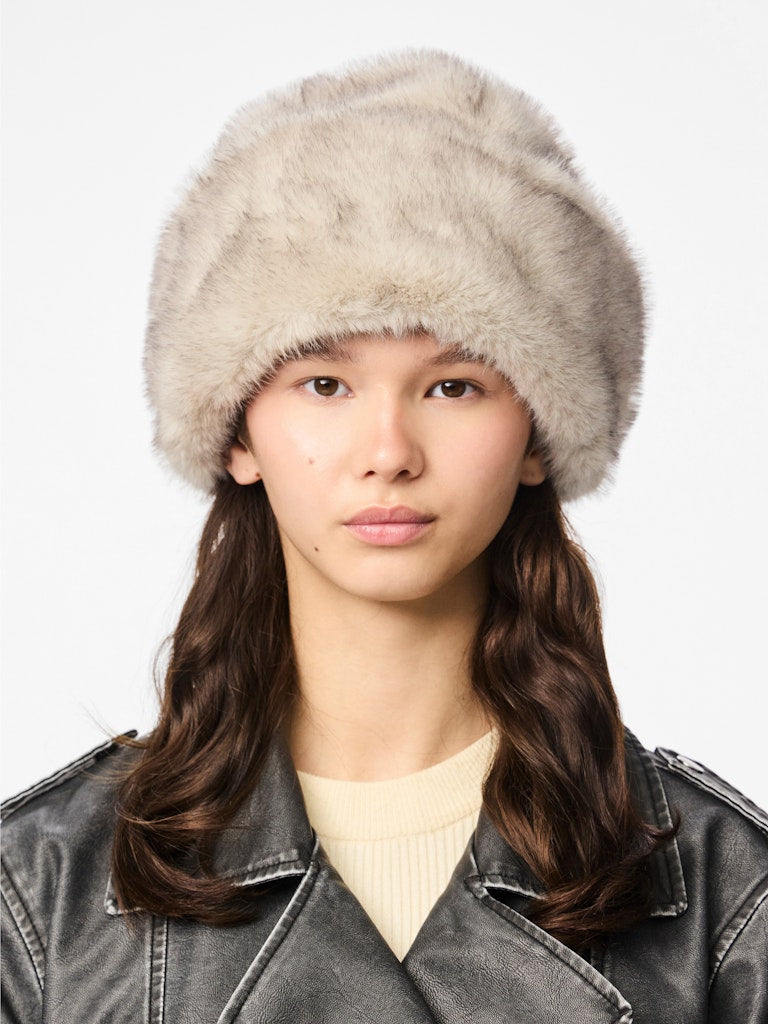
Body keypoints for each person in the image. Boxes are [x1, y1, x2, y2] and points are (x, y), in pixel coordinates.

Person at [2, 49, 766, 1024]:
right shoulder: (43, 891)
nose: (390, 452)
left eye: (454, 385)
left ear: (538, 433)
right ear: (238, 432)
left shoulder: (720, 892)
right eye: (325, 383)